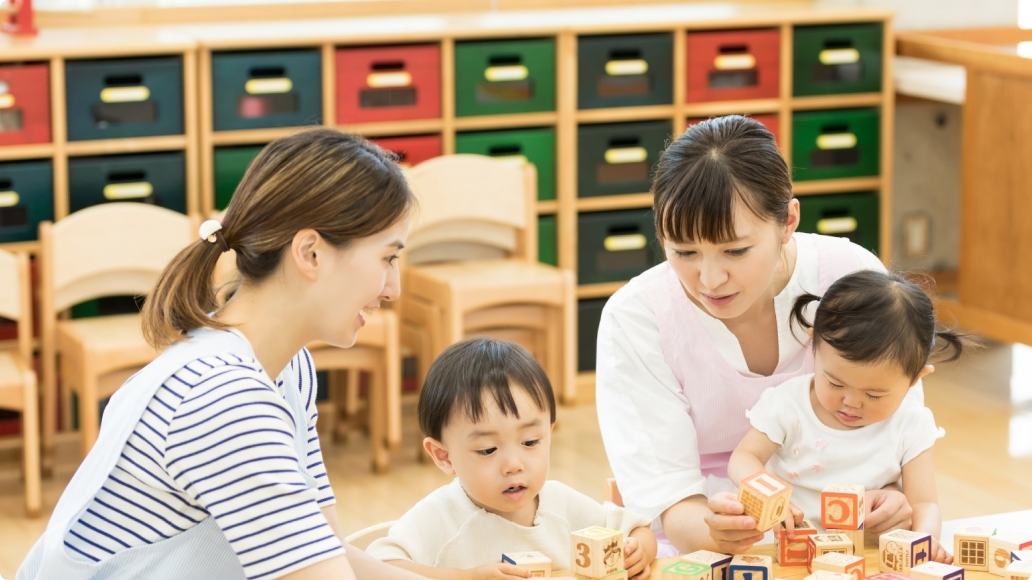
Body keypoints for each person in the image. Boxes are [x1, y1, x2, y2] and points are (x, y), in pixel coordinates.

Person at [17, 128, 429, 580]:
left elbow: (324, 550)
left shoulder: (287, 369)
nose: (394, 289)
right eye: (388, 258)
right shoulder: (223, 397)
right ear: (310, 253)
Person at [595, 115, 919, 556]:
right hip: (703, 547)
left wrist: (894, 503)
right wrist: (722, 533)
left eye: (735, 250)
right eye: (684, 252)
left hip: (842, 543)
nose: (710, 279)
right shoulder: (636, 318)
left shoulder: (851, 278)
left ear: (788, 221)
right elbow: (673, 503)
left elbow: (900, 434)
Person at [729, 270, 969, 562]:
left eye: (874, 395)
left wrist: (925, 540)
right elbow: (743, 458)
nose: (851, 402)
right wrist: (770, 491)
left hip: (863, 554)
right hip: (784, 549)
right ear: (814, 345)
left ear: (916, 378)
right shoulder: (787, 403)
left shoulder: (912, 424)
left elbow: (925, 503)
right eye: (835, 383)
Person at [368, 338, 658, 579]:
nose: (514, 464)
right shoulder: (440, 517)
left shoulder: (561, 504)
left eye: (530, 442)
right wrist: (464, 576)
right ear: (444, 457)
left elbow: (637, 529)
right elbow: (375, 567)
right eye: (488, 450)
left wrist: (638, 551)